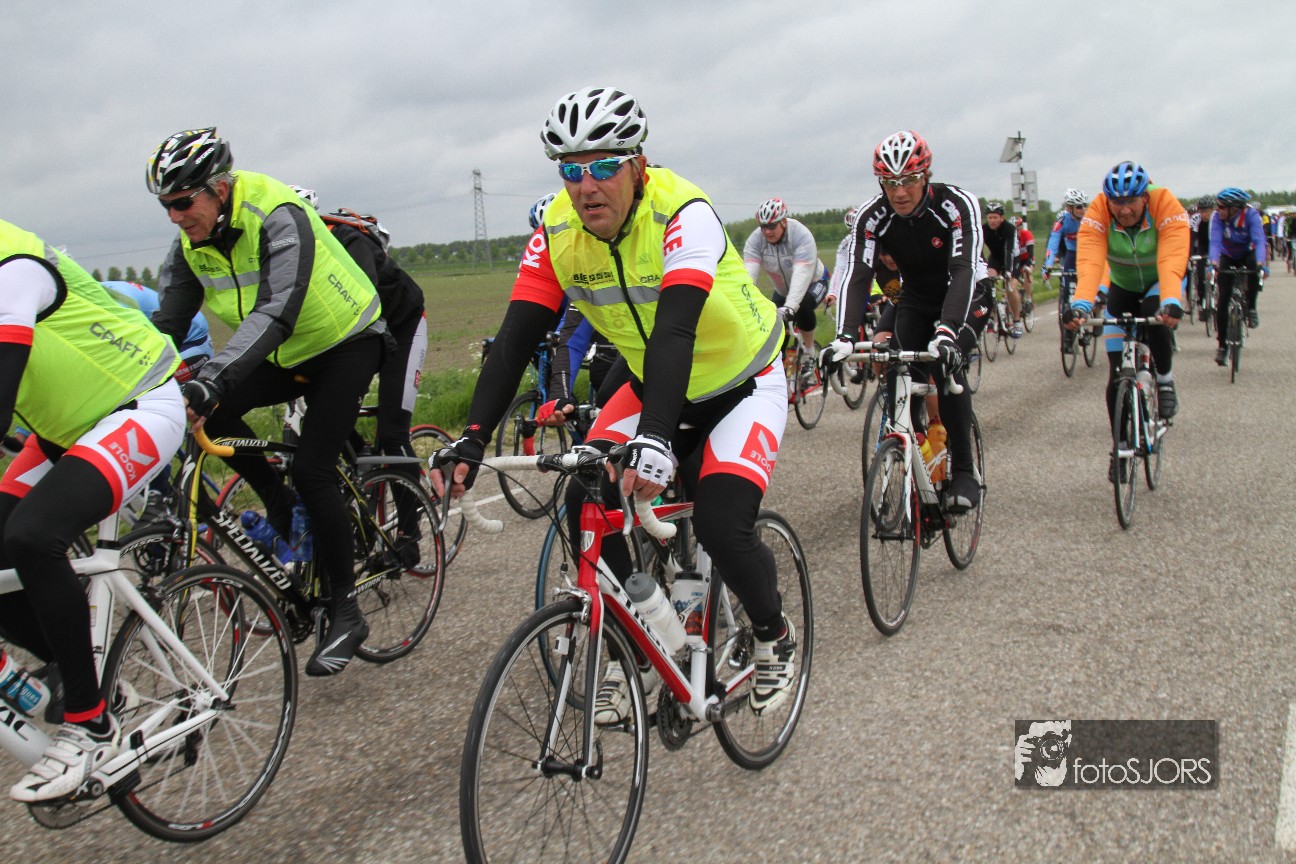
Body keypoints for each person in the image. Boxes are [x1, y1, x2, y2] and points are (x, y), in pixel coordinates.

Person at [432, 86, 795, 718]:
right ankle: (643, 641)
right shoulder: (556, 230)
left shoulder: (683, 212)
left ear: (638, 165)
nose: (586, 185)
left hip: (741, 382)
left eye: (603, 166)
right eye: (570, 170)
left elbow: (677, 330)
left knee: (720, 524)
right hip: (654, 380)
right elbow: (515, 338)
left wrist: (655, 435)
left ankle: (773, 632)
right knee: (585, 497)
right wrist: (471, 437)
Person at [147, 127, 388, 677]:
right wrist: (130, 383)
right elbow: (166, 324)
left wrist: (213, 378)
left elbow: (279, 309)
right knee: (211, 411)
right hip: (285, 352)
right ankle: (279, 504)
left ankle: (346, 610)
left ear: (219, 188)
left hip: (346, 342)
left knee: (312, 467)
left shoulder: (276, 213)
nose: (176, 217)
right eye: (166, 206)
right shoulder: (189, 242)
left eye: (183, 203)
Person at [0, 220, 185, 801]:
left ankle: (91, 722)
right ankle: (83, 672)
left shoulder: (13, 270)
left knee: (32, 537)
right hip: (65, 432)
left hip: (139, 406)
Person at [828, 129, 990, 513]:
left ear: (926, 175)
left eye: (910, 180)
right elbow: (857, 274)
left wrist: (948, 332)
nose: (899, 192)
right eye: (889, 182)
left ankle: (964, 471)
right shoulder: (873, 216)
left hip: (966, 293)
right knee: (898, 374)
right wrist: (845, 336)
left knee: (945, 365)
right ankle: (919, 458)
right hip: (916, 298)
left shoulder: (957, 205)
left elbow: (963, 270)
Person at [291, 189, 429, 479]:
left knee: (392, 434)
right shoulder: (286, 255)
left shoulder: (348, 241)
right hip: (360, 335)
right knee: (323, 420)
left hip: (403, 326)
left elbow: (364, 299)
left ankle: (411, 509)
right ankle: (361, 462)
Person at [1066, 161, 1187, 441]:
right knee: (1117, 374)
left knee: (1155, 313)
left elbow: (1172, 259)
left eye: (1131, 201)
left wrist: (1171, 300)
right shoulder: (1098, 211)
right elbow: (1091, 264)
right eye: (1116, 202)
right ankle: (1120, 447)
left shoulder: (1165, 203)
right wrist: (1081, 305)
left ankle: (1165, 381)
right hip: (1122, 286)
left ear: (1145, 197)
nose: (1123, 209)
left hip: (1158, 282)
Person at [99, 280, 214, 524]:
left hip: (187, 342)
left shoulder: (106, 302)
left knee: (146, 411)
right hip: (157, 344)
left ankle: (159, 495)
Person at [743, 198, 831, 374]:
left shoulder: (801, 235)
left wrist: (790, 306)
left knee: (803, 305)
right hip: (783, 290)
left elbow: (802, 274)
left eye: (772, 226)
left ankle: (809, 353)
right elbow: (748, 277)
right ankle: (777, 368)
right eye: (763, 227)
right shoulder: (755, 240)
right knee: (775, 327)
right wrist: (747, 304)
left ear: (783, 222)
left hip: (814, 282)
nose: (767, 232)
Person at [1209, 187, 1267, 358]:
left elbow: (1260, 241)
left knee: (1254, 266)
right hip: (1228, 255)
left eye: (1221, 207)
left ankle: (1252, 307)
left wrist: (1261, 263)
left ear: (1233, 209)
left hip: (1248, 253)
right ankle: (1222, 346)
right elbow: (1215, 242)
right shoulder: (1218, 218)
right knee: (1223, 301)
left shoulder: (1251, 216)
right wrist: (1213, 263)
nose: (1217, 210)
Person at [1043, 189, 1089, 351]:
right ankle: (1068, 337)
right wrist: (1048, 265)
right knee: (1067, 296)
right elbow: (1053, 242)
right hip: (1071, 255)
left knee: (1091, 288)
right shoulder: (1062, 220)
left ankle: (1096, 313)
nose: (1083, 209)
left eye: (1085, 205)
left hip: (1088, 255)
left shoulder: (1090, 219)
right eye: (1079, 207)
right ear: (1069, 208)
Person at [982, 202, 1023, 337]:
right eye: (990, 218)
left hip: (1012, 259)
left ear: (1002, 218)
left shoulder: (1009, 229)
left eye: (995, 217)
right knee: (987, 282)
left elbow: (1009, 250)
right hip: (995, 258)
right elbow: (978, 248)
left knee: (1010, 288)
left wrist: (1008, 272)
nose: (992, 221)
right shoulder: (984, 229)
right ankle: (991, 316)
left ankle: (1017, 321)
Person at [1189, 195, 1214, 319]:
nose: (1204, 214)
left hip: (1214, 246)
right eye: (1202, 211)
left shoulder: (1216, 219)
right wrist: (1190, 255)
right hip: (1202, 247)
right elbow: (1191, 239)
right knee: (1200, 275)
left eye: (1207, 211)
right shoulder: (1196, 219)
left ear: (1212, 210)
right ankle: (1202, 302)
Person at [1012, 215, 1036, 318]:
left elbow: (1031, 253)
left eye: (1016, 229)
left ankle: (1029, 299)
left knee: (1027, 272)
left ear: (1020, 227)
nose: (1015, 232)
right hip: (1016, 260)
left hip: (1027, 259)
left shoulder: (1027, 234)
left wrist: (1027, 265)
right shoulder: (1009, 237)